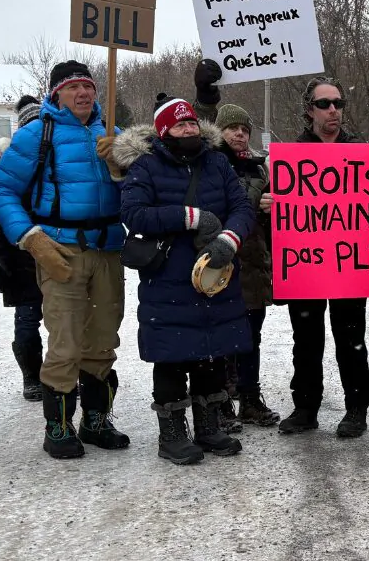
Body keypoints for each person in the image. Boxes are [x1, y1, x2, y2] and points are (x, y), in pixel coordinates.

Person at [0, 60, 130, 459]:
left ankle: (97, 419)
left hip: (107, 250)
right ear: (56, 95)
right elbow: (0, 189)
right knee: (65, 341)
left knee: (103, 339)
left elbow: (141, 190)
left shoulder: (113, 135)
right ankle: (59, 425)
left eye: (89, 87)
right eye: (73, 88)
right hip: (59, 250)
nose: (84, 94)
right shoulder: (37, 135)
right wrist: (29, 237)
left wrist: (121, 167)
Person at [112, 95, 255, 464]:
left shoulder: (218, 163)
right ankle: (172, 435)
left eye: (191, 122)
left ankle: (209, 427)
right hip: (169, 278)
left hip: (216, 273)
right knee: (173, 356)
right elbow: (134, 213)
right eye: (180, 125)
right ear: (163, 131)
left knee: (212, 351)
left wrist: (229, 238)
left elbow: (241, 207)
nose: (189, 129)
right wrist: (190, 217)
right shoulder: (146, 166)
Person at [264, 74, 369, 438]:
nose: (332, 111)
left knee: (351, 338)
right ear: (309, 110)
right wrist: (268, 203)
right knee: (306, 339)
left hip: (348, 264)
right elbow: (276, 209)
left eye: (338, 104)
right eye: (324, 104)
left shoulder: (362, 157)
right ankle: (306, 407)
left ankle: (357, 408)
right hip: (306, 265)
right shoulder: (289, 159)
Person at [191, 64, 282, 429]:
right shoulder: (208, 164)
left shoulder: (261, 169)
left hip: (254, 264)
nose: (240, 135)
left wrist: (271, 209)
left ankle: (249, 396)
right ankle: (221, 400)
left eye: (245, 129)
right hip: (220, 262)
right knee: (222, 335)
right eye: (232, 128)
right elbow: (222, 205)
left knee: (251, 336)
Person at [0, 95, 46, 402]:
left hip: (60, 249)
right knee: (27, 319)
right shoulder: (5, 165)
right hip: (20, 256)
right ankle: (32, 376)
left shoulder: (57, 158)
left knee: (67, 321)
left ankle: (64, 372)